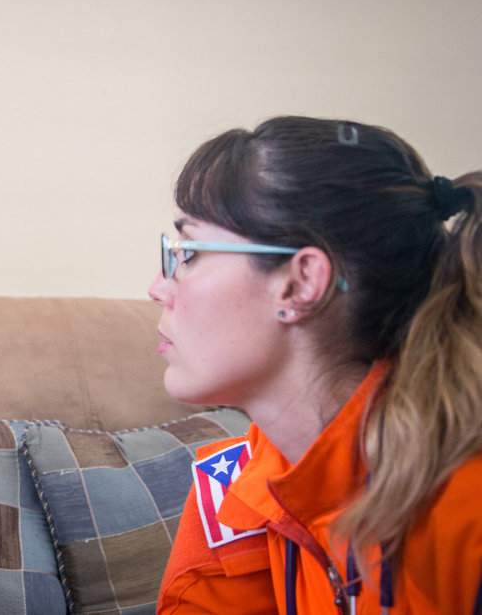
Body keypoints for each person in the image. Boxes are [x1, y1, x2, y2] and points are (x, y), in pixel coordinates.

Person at [150, 116, 482, 613]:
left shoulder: (465, 513)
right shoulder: (245, 488)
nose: (158, 287)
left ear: (301, 282)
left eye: (190, 251)